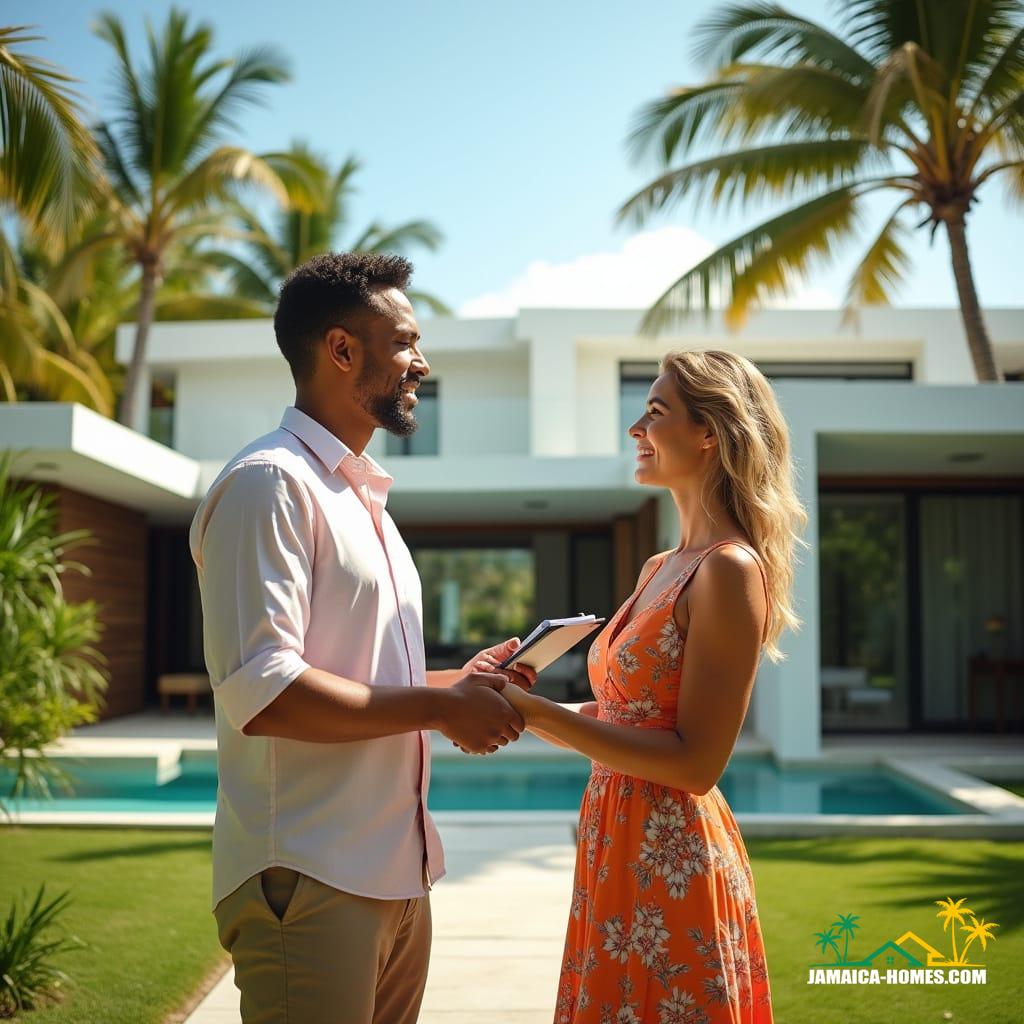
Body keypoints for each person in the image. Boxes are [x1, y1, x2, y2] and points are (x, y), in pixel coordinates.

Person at [189, 251, 535, 1024]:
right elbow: (267, 690)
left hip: (396, 876)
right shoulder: (269, 484)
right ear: (343, 350)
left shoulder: (361, 499)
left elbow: (356, 672)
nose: (422, 362)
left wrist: (456, 687)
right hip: (313, 879)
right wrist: (440, 710)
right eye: (406, 342)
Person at [493, 349, 807, 1023]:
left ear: (709, 433)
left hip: (673, 858)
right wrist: (516, 705)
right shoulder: (663, 564)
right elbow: (621, 717)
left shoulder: (728, 570)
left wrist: (533, 711)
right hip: (615, 843)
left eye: (656, 412)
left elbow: (696, 763)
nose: (636, 428)